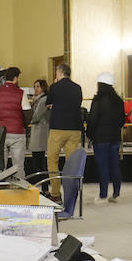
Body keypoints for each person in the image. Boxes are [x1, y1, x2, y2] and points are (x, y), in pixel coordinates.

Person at [43, 63, 83, 201]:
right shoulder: (78, 88)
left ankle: (56, 193)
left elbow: (48, 102)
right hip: (75, 129)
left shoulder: (55, 86)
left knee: (52, 160)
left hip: (58, 128)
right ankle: (71, 195)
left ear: (59, 73)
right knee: (71, 163)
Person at [86, 72, 127, 203]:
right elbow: (122, 121)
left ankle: (103, 195)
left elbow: (92, 119)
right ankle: (116, 194)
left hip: (100, 138)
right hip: (115, 137)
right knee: (115, 165)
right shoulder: (118, 101)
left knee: (103, 167)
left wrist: (89, 134)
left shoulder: (98, 100)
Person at [0, 65, 30, 177]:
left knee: (1, 167)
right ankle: (20, 192)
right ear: (16, 78)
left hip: (0, 133)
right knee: (18, 167)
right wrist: (24, 126)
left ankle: (3, 190)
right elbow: (27, 115)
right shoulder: (21, 93)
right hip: (17, 133)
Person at [27, 78, 50, 189]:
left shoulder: (43, 99)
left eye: (38, 86)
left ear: (43, 88)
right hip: (37, 132)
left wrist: (27, 119)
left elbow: (36, 117)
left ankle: (45, 188)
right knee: (37, 162)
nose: (35, 89)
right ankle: (43, 187)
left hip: (41, 133)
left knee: (40, 163)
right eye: (34, 86)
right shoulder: (37, 99)